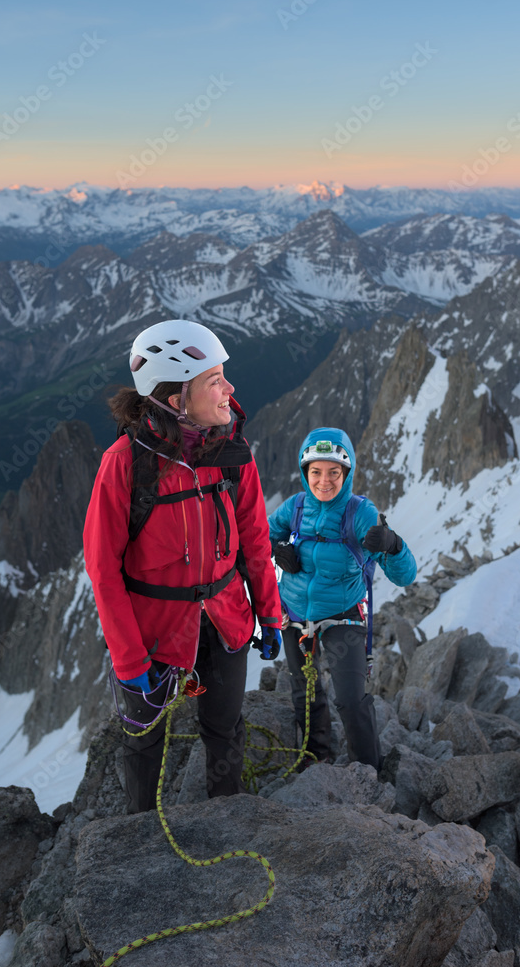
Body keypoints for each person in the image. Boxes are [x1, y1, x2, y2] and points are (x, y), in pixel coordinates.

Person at [83, 320, 282, 812]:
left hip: (227, 621)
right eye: (215, 380)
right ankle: (138, 833)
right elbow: (104, 571)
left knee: (224, 727)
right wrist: (131, 663)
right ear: (177, 400)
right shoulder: (126, 463)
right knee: (145, 741)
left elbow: (255, 540)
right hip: (154, 636)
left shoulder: (233, 454)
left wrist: (270, 614)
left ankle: (227, 814)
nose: (229, 389)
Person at [267, 427, 417, 772]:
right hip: (294, 616)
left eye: (334, 472)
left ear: (346, 473)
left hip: (343, 616)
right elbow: (260, 537)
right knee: (304, 694)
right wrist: (279, 550)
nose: (324, 481)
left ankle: (368, 771)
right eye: (315, 471)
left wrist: (393, 545)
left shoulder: (360, 514)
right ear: (305, 472)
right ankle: (315, 758)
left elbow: (404, 577)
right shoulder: (295, 507)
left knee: (350, 699)